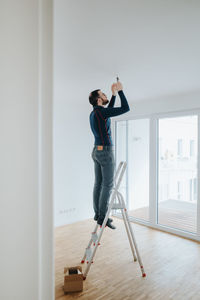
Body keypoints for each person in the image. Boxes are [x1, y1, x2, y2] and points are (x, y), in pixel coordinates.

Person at [89, 80, 130, 229]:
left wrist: (112, 95)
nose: (105, 95)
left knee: (98, 184)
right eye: (104, 94)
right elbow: (126, 108)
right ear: (99, 99)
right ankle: (103, 217)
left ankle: (97, 214)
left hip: (96, 151)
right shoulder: (101, 112)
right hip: (105, 152)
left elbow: (109, 112)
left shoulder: (95, 113)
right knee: (107, 185)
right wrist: (120, 91)